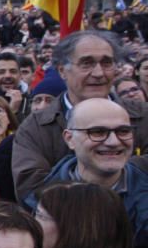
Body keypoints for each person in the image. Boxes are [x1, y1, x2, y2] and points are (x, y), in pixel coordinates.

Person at [12, 30, 148, 202]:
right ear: (62, 71)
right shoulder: (36, 127)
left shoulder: (143, 115)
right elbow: (31, 191)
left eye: (107, 63)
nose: (99, 73)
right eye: (87, 64)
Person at [28, 98, 148, 236]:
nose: (113, 142)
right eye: (97, 132)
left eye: (123, 131)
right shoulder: (42, 205)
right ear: (69, 139)